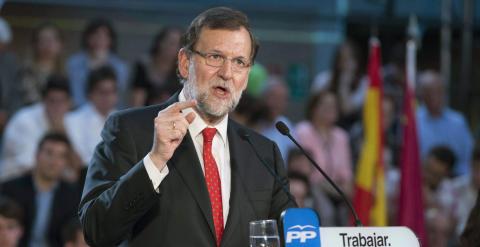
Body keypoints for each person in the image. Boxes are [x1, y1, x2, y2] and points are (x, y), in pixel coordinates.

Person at [79, 7, 295, 247]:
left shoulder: (264, 153)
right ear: (184, 63)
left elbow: (294, 237)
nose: (226, 73)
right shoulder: (130, 130)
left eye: (239, 62)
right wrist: (155, 160)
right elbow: (96, 230)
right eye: (215, 57)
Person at [0, 133, 81, 247]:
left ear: (66, 163)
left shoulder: (73, 195)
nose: (54, 161)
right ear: (37, 155)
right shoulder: (10, 188)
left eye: (61, 156)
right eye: (49, 153)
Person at [294, 91, 353, 226]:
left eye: (333, 105)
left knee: (351, 207)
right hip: (312, 186)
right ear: (314, 108)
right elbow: (304, 169)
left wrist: (346, 187)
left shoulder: (341, 136)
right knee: (326, 211)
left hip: (337, 187)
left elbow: (346, 172)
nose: (330, 109)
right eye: (325, 105)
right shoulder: (303, 131)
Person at [0, 76, 72, 181]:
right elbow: (30, 165)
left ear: (69, 103)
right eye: (52, 101)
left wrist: (63, 131)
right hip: (13, 181)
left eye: (62, 101)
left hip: (47, 184)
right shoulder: (24, 120)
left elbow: (78, 166)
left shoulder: (70, 120)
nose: (57, 107)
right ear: (44, 101)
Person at [416, 70, 473, 177]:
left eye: (439, 91)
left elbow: (467, 159)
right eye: (429, 91)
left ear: (444, 93)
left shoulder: (458, 122)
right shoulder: (413, 122)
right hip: (421, 181)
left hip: (455, 181)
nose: (434, 96)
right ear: (421, 94)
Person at [67, 18, 128, 107]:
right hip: (80, 113)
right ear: (87, 38)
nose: (100, 39)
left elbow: (117, 97)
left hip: (109, 113)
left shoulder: (120, 67)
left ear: (111, 40)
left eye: (105, 36)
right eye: (95, 35)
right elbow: (76, 95)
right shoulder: (74, 63)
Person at [65, 66, 118, 166]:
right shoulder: (72, 120)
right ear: (90, 94)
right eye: (103, 92)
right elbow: (80, 160)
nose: (108, 97)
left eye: (112, 92)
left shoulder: (122, 120)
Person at [130, 26, 183, 107]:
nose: (174, 48)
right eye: (171, 43)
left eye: (178, 44)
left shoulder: (183, 70)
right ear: (160, 42)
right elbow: (137, 103)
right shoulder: (144, 66)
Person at [19, 23, 65, 106]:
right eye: (43, 40)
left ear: (60, 44)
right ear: (35, 44)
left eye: (52, 40)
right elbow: (31, 100)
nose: (48, 45)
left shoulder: (66, 71)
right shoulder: (27, 70)